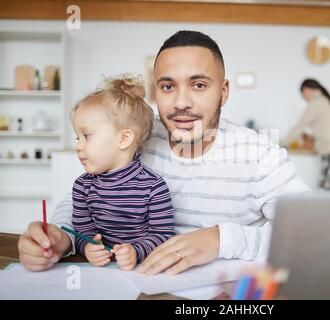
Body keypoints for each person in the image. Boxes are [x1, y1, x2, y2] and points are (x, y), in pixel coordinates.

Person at [18, 30, 310, 274]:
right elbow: (86, 197)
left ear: (223, 92)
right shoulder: (137, 137)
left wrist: (222, 239)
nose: (182, 102)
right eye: (168, 86)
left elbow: (314, 234)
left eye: (198, 85)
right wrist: (62, 237)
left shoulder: (259, 154)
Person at [70, 75, 175, 271]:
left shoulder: (153, 187)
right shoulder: (82, 186)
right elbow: (82, 231)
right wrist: (87, 247)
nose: (78, 146)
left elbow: (163, 235)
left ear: (124, 138)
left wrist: (136, 251)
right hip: (99, 273)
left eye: (86, 136)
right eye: (78, 137)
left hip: (142, 272)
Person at [285, 79, 330, 191]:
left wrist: (278, 145)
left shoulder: (317, 103)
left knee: (326, 201)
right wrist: (311, 138)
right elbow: (327, 132)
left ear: (306, 90)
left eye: (303, 95)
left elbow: (298, 127)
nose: (304, 99)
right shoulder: (326, 101)